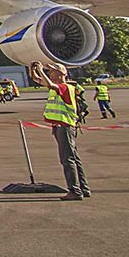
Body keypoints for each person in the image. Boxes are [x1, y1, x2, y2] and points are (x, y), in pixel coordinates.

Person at [31, 62, 89, 200]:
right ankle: (83, 188)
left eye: (52, 71)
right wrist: (32, 70)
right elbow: (37, 80)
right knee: (74, 158)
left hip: (65, 127)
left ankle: (74, 191)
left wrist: (40, 70)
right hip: (60, 127)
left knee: (67, 159)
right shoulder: (56, 88)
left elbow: (50, 84)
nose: (49, 73)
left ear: (60, 74)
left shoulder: (65, 87)